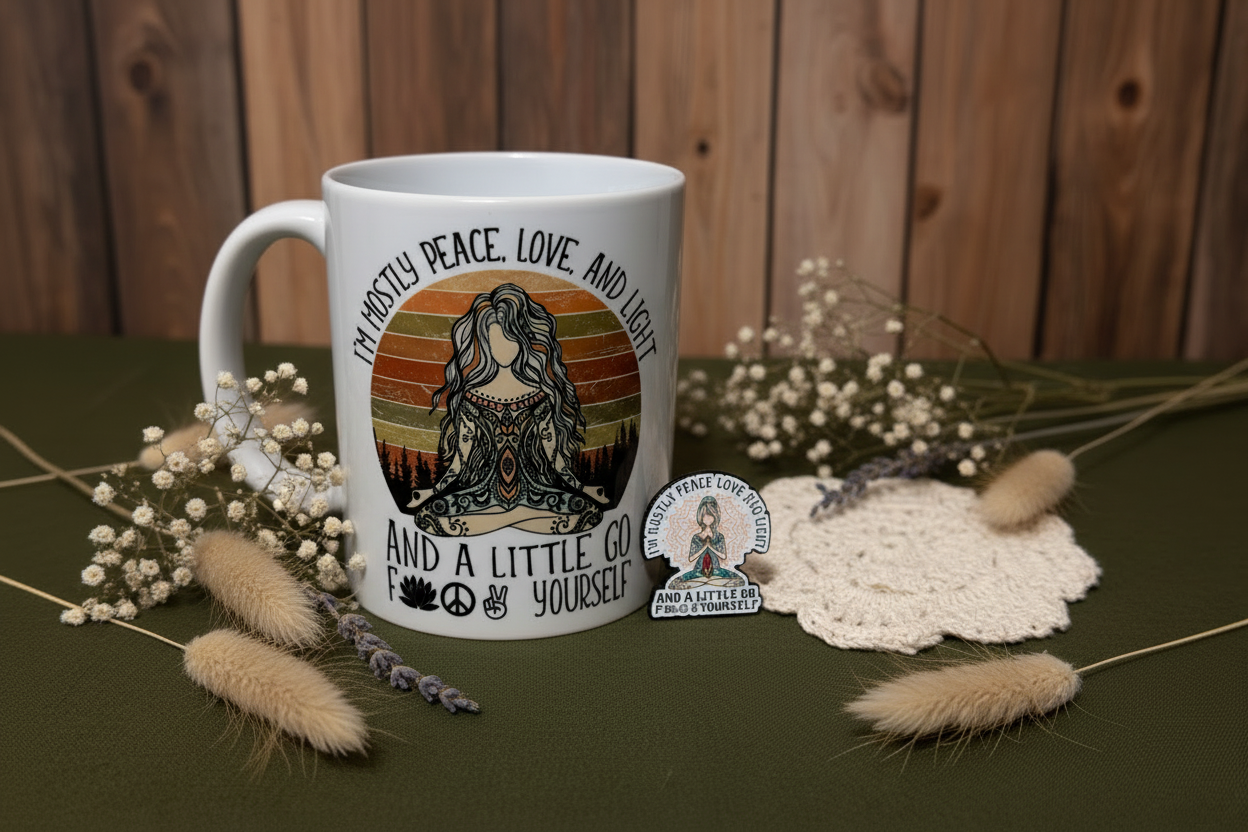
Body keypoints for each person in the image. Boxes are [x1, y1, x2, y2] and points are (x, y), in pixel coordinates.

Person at [409, 283, 608, 536]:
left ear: (523, 340)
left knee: (588, 513)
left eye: (510, 339)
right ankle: (515, 518)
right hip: (483, 497)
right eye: (495, 340)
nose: (503, 348)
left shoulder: (540, 396)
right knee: (430, 517)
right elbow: (460, 463)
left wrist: (584, 489)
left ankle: (509, 518)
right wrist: (432, 492)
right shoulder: (470, 399)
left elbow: (555, 460)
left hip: (535, 494)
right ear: (485, 343)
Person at [671, 495, 744, 588]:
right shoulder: (696, 537)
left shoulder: (719, 536)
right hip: (698, 570)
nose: (708, 518)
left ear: (715, 517)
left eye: (711, 516)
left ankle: (709, 582)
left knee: (738, 580)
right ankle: (705, 582)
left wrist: (711, 546)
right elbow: (691, 558)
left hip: (717, 570)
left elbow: (723, 556)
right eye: (705, 516)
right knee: (675, 583)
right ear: (700, 517)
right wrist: (704, 546)